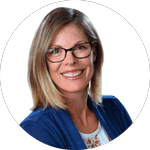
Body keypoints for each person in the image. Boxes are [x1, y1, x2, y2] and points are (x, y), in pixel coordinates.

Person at [20, 7, 132, 149]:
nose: (70, 60)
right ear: (43, 62)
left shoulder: (114, 109)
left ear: (94, 53)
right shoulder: (35, 129)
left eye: (79, 47)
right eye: (56, 51)